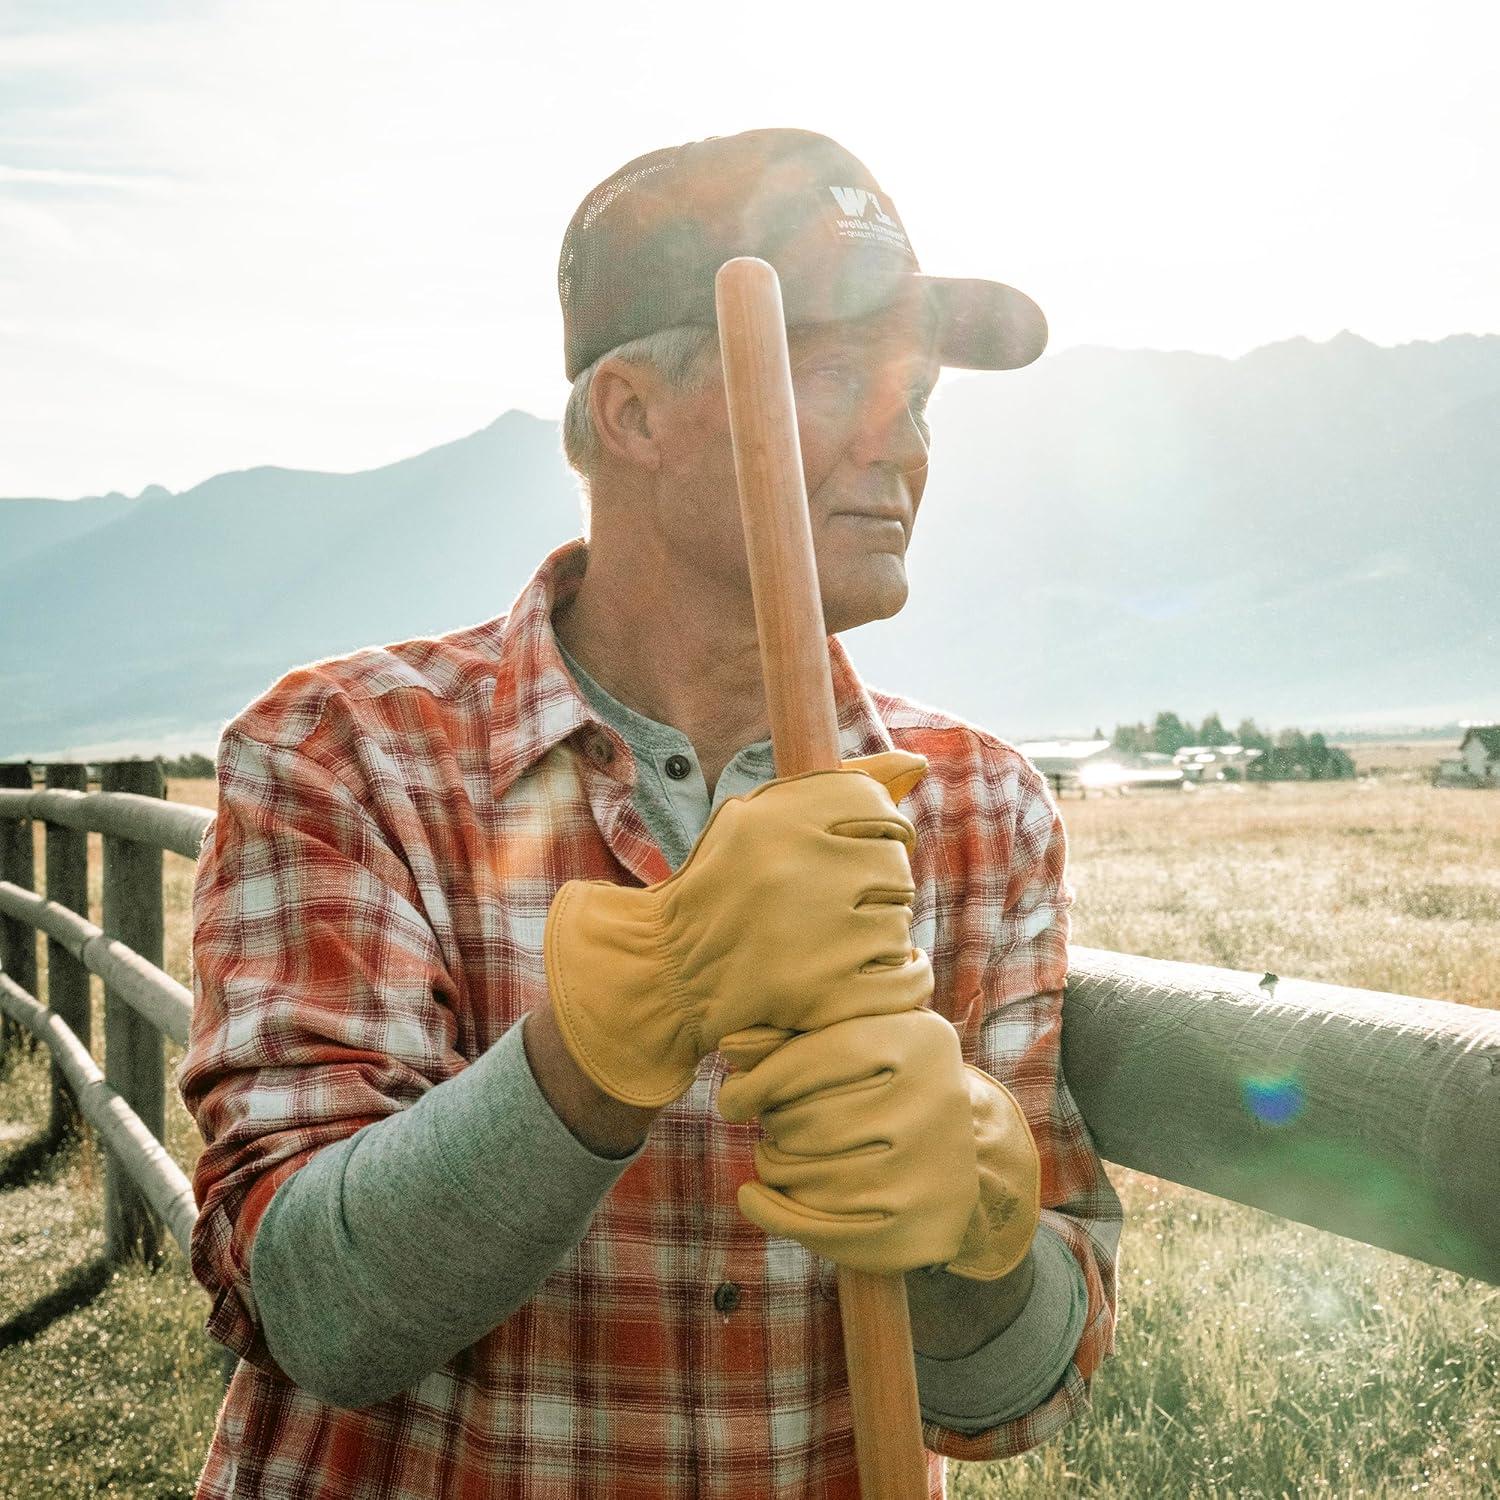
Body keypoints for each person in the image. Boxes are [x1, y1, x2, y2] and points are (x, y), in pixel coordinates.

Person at [179, 127, 1121, 1499]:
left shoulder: (978, 808)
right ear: (629, 411)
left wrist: (981, 1243)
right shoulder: (346, 756)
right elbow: (313, 1312)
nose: (903, 438)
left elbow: (1020, 1393)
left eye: (918, 390)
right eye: (839, 373)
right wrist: (613, 1041)